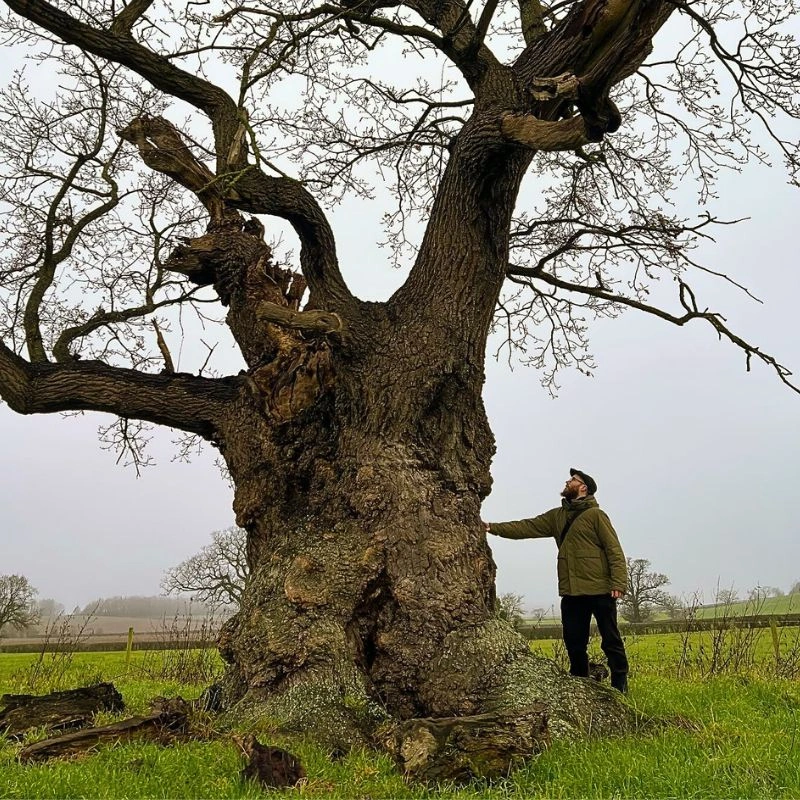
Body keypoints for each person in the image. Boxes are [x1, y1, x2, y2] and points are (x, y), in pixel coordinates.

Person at [484, 468, 630, 693]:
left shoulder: (596, 516)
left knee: (610, 640)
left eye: (573, 480)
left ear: (583, 487)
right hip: (572, 592)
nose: (567, 481)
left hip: (600, 590)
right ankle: (581, 684)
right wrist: (492, 528)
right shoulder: (557, 516)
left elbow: (614, 550)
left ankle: (620, 685)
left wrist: (618, 583)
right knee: (574, 642)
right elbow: (527, 526)